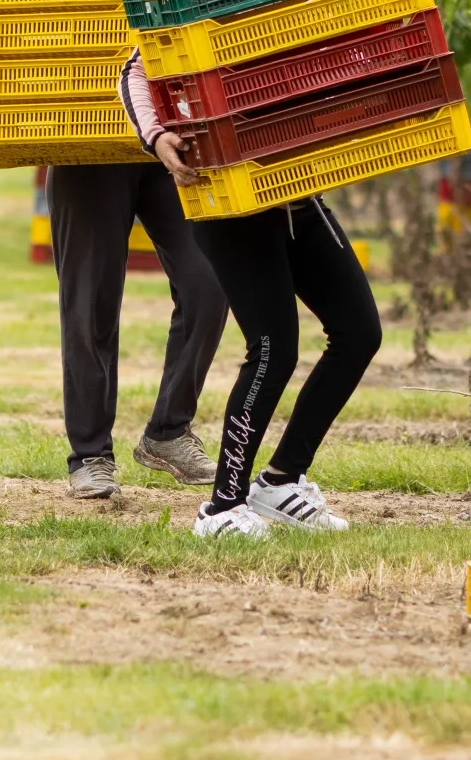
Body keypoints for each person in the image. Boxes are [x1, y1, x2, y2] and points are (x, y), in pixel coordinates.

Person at [121, 53, 381, 538]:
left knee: (359, 333)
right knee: (272, 351)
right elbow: (134, 70)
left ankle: (281, 482)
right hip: (230, 202)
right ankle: (222, 507)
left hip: (297, 195)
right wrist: (157, 137)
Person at [46, 162, 229, 499]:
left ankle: (168, 431)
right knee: (89, 306)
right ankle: (90, 454)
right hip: (88, 151)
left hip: (166, 151)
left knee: (210, 286)